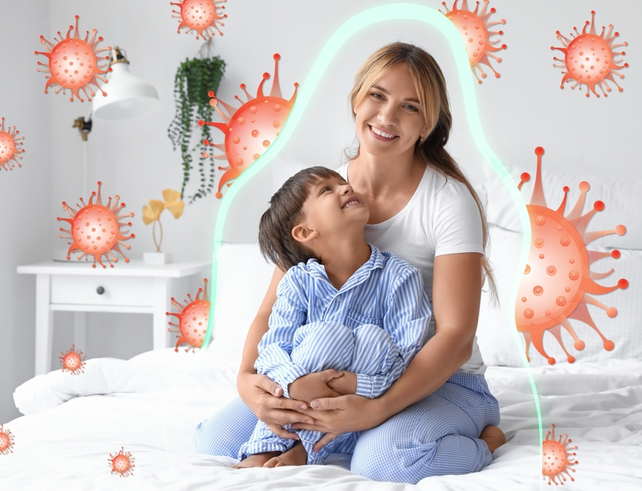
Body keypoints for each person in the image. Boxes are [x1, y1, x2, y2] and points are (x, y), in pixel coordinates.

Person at [194, 42, 506, 484]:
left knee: (381, 464)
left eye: (410, 107)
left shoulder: (447, 201)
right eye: (377, 96)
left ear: (427, 125)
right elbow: (272, 307)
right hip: (330, 375)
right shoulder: (325, 194)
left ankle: (486, 440)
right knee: (218, 444)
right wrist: (248, 380)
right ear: (357, 98)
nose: (387, 117)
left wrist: (376, 408)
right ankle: (343, 434)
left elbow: (456, 337)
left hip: (440, 382)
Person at [235, 166, 432, 468]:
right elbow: (273, 348)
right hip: (297, 390)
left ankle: (298, 446)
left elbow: (406, 357)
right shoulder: (298, 281)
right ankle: (288, 443)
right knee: (322, 340)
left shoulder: (399, 277)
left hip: (368, 393)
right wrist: (295, 383)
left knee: (368, 338)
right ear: (305, 232)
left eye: (344, 183)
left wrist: (353, 386)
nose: (346, 188)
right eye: (327, 190)